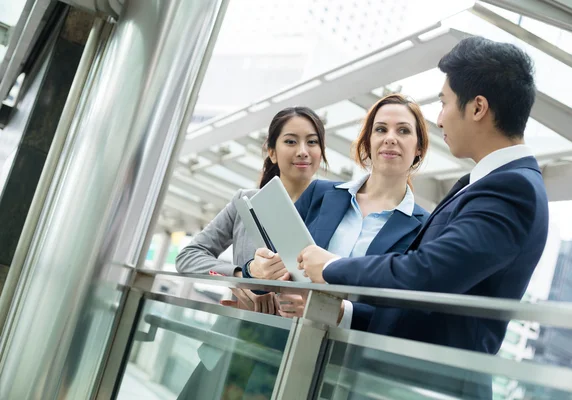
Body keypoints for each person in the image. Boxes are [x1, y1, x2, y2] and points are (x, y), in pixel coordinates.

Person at [299, 36, 548, 354]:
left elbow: (423, 273)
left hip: (429, 381)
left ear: (477, 108)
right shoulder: (490, 183)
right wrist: (344, 313)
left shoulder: (513, 190)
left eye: (444, 102)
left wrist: (331, 267)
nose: (440, 118)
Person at [175, 106, 327, 399]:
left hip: (290, 355)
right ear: (271, 152)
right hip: (232, 344)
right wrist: (238, 275)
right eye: (291, 141)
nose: (303, 151)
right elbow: (188, 255)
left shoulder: (335, 212)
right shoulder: (245, 203)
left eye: (312, 141)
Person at [258, 93, 430, 326]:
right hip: (287, 338)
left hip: (350, 355)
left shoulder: (424, 227)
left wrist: (334, 311)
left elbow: (406, 315)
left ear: (419, 147)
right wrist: (259, 268)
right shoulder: (319, 194)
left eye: (403, 131)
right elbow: (272, 254)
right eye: (380, 129)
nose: (390, 138)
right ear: (367, 141)